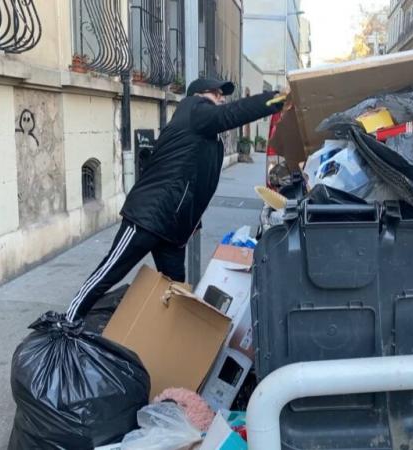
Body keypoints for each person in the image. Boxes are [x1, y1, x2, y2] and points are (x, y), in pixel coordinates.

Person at [66, 78, 285, 321]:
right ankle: (66, 321)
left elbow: (195, 181)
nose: (221, 98)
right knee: (110, 272)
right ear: (198, 95)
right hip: (148, 216)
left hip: (173, 227)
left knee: (175, 291)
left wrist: (192, 222)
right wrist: (274, 100)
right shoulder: (194, 110)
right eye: (215, 93)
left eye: (222, 94)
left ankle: (173, 343)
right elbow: (231, 114)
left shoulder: (207, 135)